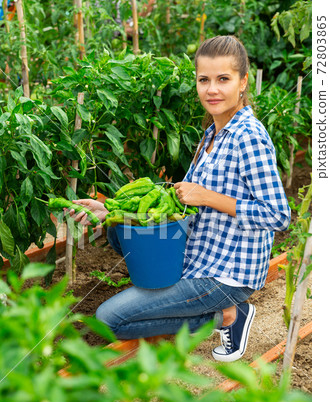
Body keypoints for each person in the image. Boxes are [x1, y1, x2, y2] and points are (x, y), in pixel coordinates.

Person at [68, 35, 291, 362]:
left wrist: (207, 196)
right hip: (201, 249)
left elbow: (278, 215)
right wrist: (111, 210)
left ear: (243, 83)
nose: (212, 89)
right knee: (119, 232)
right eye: (204, 80)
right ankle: (187, 298)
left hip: (226, 274)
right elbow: (179, 200)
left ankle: (227, 314)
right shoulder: (213, 132)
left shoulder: (249, 137)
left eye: (223, 79)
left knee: (109, 319)